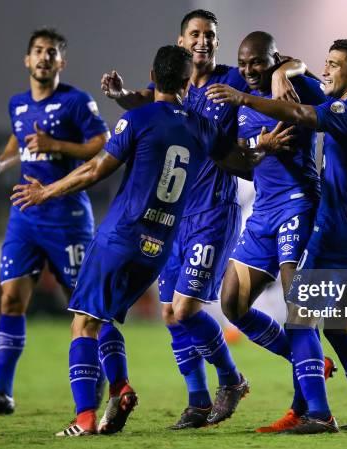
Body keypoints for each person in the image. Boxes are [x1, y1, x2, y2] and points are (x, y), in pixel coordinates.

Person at [11, 45, 292, 437]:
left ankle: (85, 418)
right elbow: (241, 164)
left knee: (84, 323)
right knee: (112, 316)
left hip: (121, 237)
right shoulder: (200, 125)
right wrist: (264, 147)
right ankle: (126, 389)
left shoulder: (138, 119)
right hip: (158, 247)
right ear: (185, 81)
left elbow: (94, 170)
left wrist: (46, 191)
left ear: (153, 75)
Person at [100, 9, 308, 429]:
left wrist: (287, 70)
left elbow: (280, 62)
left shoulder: (232, 79)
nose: (203, 40)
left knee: (188, 309)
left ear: (216, 41)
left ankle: (241, 377)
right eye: (194, 34)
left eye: (209, 34)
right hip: (173, 217)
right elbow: (146, 100)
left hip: (214, 211)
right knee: (169, 314)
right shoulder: (175, 89)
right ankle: (197, 401)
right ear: (181, 42)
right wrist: (122, 96)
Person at [207, 38, 347, 433]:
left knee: (300, 319)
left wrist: (245, 97)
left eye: (334, 65)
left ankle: (317, 413)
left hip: (335, 231)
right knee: (337, 330)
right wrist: (284, 70)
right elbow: (302, 72)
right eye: (325, 64)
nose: (325, 71)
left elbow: (298, 110)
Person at [0, 28, 109, 415]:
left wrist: (57, 146)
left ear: (61, 62)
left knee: (85, 307)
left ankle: (99, 378)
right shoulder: (18, 104)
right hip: (25, 215)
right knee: (11, 300)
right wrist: (0, 164)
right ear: (27, 60)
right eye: (38, 52)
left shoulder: (77, 102)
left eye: (52, 52)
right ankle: (2, 392)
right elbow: (18, 141)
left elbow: (103, 142)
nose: (44, 58)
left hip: (68, 218)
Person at [217, 31, 336, 433]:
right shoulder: (237, 92)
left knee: (298, 308)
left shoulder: (297, 84)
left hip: (299, 204)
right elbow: (236, 157)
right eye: (244, 62)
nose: (249, 70)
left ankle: (319, 413)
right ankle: (308, 365)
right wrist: (260, 145)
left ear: (275, 58)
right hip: (264, 210)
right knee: (232, 303)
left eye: (258, 62)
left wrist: (292, 68)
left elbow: (337, 111)